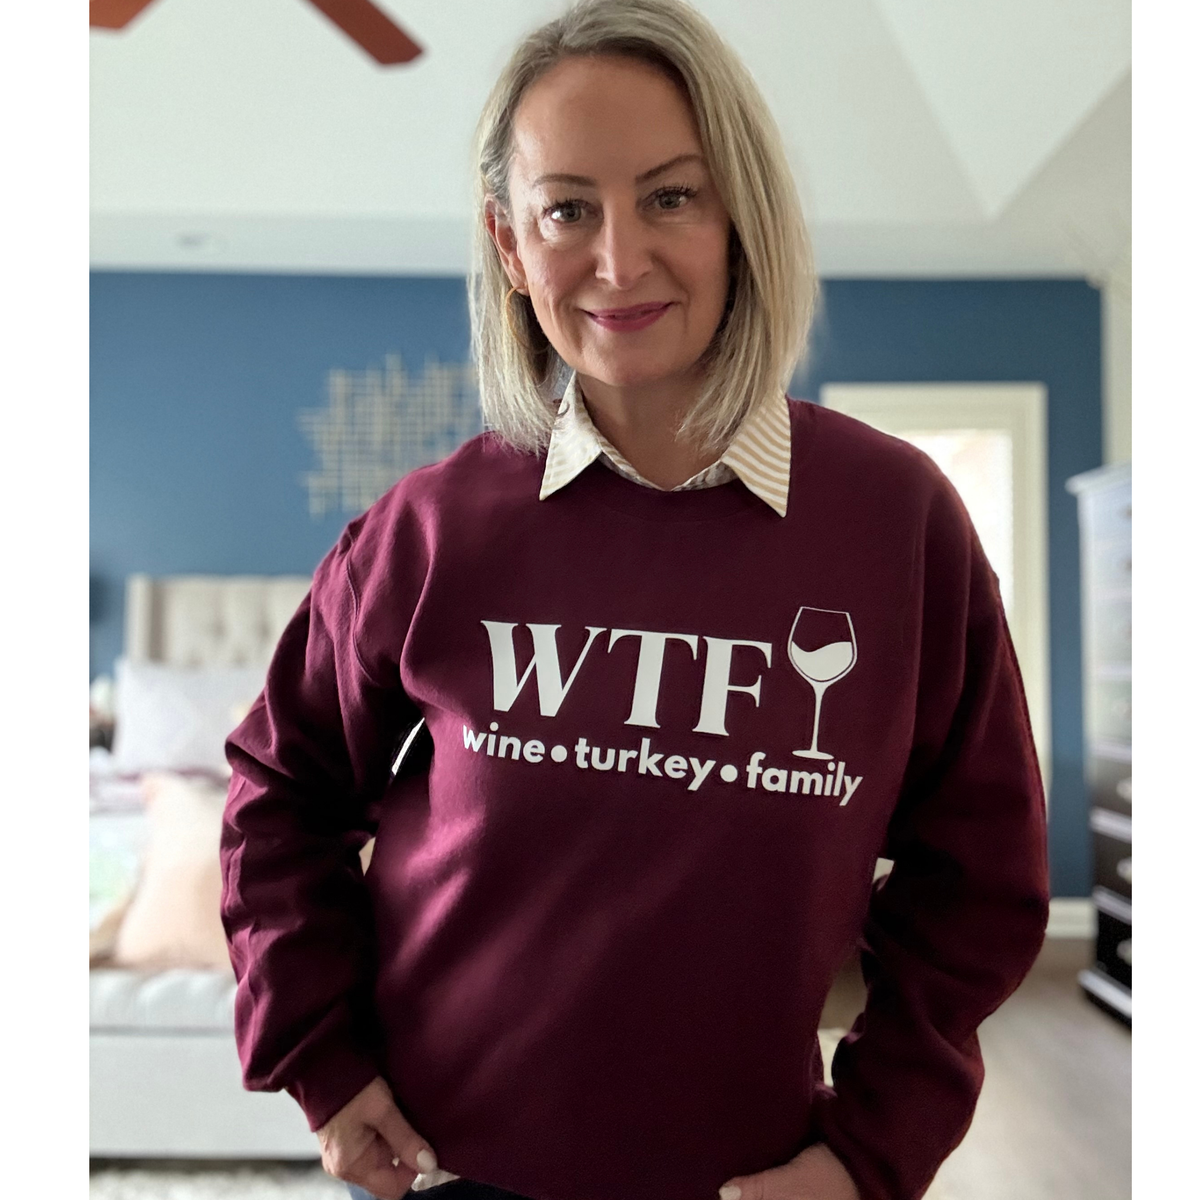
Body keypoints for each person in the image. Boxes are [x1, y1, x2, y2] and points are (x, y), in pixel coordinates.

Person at [220, 2, 1051, 1199]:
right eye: (568, 209)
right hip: (438, 1172)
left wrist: (873, 1149)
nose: (619, 262)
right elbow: (278, 789)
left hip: (750, 1183)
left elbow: (979, 879)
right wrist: (322, 1063)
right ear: (511, 245)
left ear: (740, 217)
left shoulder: (899, 524)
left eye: (671, 196)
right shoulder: (432, 528)